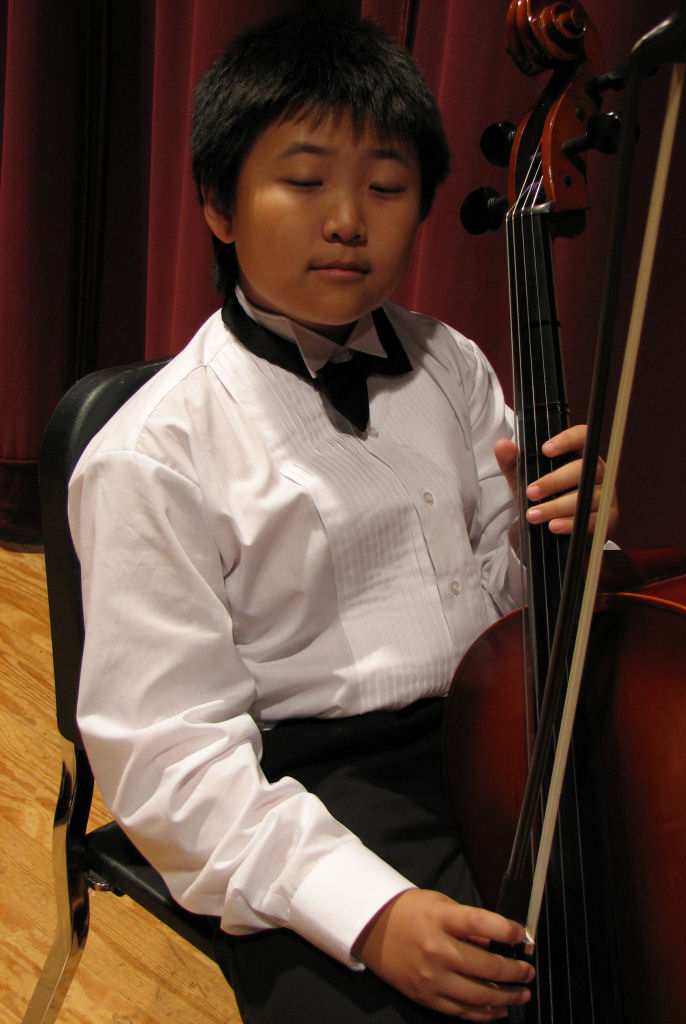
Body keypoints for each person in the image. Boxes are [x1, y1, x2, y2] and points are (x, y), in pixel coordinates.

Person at [69, 13, 616, 1023]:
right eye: (305, 180)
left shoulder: (453, 365)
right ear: (219, 205)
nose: (349, 221)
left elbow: (504, 603)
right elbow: (170, 756)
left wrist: (562, 538)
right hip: (309, 781)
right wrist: (374, 914)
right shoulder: (151, 454)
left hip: (500, 730)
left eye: (388, 187)